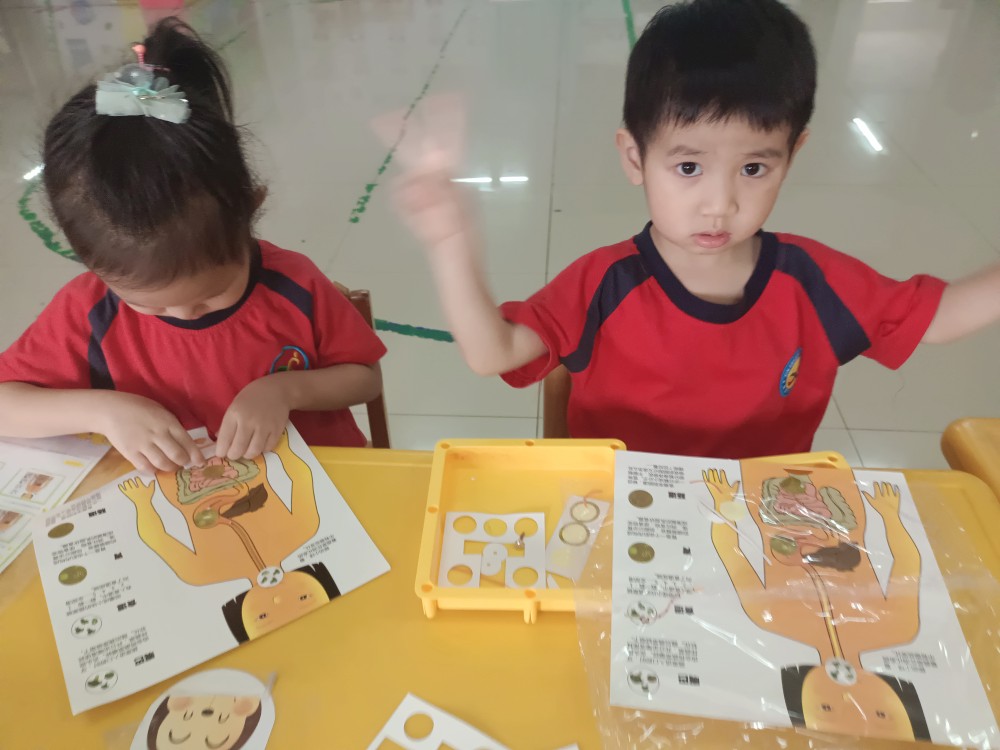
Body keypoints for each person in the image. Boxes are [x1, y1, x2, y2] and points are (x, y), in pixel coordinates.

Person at [390, 0, 1000, 458]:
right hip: (627, 519)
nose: (721, 204)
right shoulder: (604, 283)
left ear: (793, 154)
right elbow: (493, 352)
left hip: (761, 527)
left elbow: (940, 316)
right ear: (634, 157)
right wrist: (450, 242)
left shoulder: (813, 281)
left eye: (754, 168)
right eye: (688, 167)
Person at [0, 18, 385, 472]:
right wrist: (103, 411)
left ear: (248, 213)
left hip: (318, 481)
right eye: (151, 305)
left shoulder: (294, 284)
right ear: (92, 263)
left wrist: (284, 390)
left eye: (210, 296)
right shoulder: (87, 313)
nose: (184, 314)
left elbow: (364, 378)